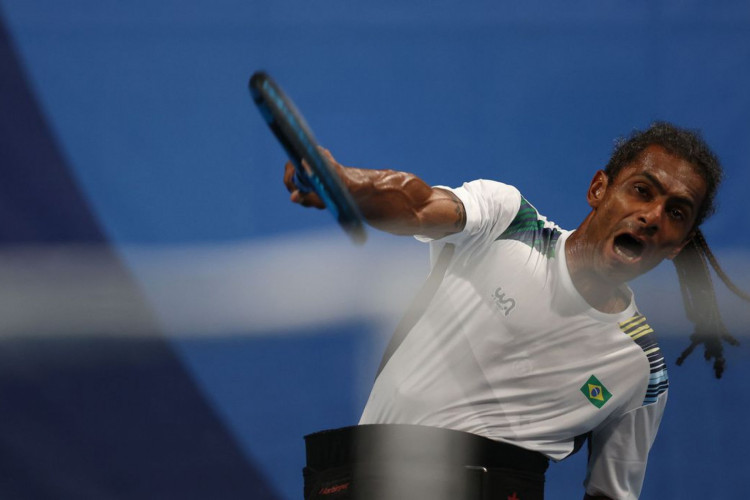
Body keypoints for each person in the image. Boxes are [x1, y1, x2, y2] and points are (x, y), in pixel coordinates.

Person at [286, 122, 745, 500]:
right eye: (642, 190)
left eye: (676, 213)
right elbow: (416, 202)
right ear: (598, 189)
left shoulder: (642, 370)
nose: (652, 216)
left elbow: (610, 495)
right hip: (364, 479)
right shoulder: (507, 221)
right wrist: (344, 184)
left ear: (677, 246)